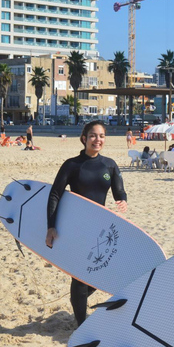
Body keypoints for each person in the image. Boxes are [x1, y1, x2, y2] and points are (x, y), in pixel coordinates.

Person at [45, 120, 127, 326]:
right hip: (77, 228)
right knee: (80, 278)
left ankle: (78, 302)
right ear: (84, 139)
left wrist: (122, 200)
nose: (97, 140)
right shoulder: (72, 165)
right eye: (93, 135)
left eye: (101, 136)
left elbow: (119, 191)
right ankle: (81, 323)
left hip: (100, 228)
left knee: (99, 274)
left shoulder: (109, 165)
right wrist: (51, 226)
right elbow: (55, 194)